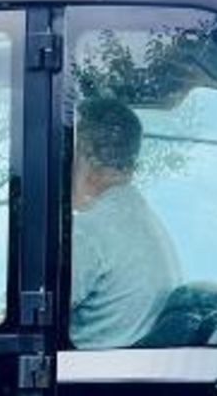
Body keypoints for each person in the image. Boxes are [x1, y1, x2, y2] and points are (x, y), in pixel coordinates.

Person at [68, 98, 180, 349]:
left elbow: (32, 315)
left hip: (88, 377)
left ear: (83, 155)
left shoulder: (90, 231)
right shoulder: (138, 216)